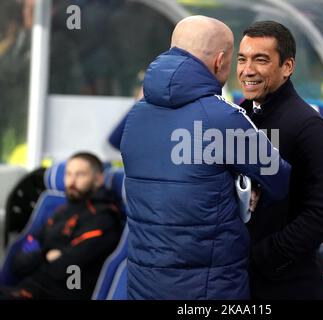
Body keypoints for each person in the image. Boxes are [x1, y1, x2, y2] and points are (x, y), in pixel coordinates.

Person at [120, 16, 291, 300]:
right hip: (208, 288)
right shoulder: (223, 117)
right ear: (220, 60)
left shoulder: (137, 115)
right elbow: (281, 180)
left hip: (143, 284)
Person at [237, 21, 323, 299]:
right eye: (242, 59)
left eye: (261, 60)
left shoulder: (308, 125)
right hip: (239, 282)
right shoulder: (238, 116)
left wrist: (262, 256)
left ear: (287, 67)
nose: (248, 70)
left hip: (286, 287)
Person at [0, 152, 122, 299]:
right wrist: (46, 255)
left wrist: (39, 256)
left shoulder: (104, 219)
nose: (72, 181)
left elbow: (66, 269)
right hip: (26, 290)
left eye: (80, 174)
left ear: (98, 179)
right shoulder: (60, 212)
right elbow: (19, 261)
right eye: (68, 174)